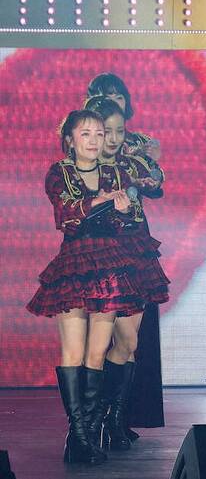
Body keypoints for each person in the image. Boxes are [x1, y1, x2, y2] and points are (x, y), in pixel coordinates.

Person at [26, 110, 150, 465]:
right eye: (86, 134)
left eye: (99, 133)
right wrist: (104, 201)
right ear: (69, 139)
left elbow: (131, 219)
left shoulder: (116, 173)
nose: (95, 140)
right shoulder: (59, 172)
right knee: (73, 354)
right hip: (74, 265)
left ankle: (85, 435)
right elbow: (66, 213)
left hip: (109, 267)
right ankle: (78, 435)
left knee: (97, 354)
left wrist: (123, 211)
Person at [81, 95, 169, 451]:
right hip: (102, 258)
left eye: (119, 131)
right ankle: (96, 422)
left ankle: (113, 418)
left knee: (129, 343)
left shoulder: (130, 163)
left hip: (137, 254)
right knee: (107, 344)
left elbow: (156, 182)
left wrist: (150, 161)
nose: (114, 138)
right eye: (107, 131)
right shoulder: (84, 168)